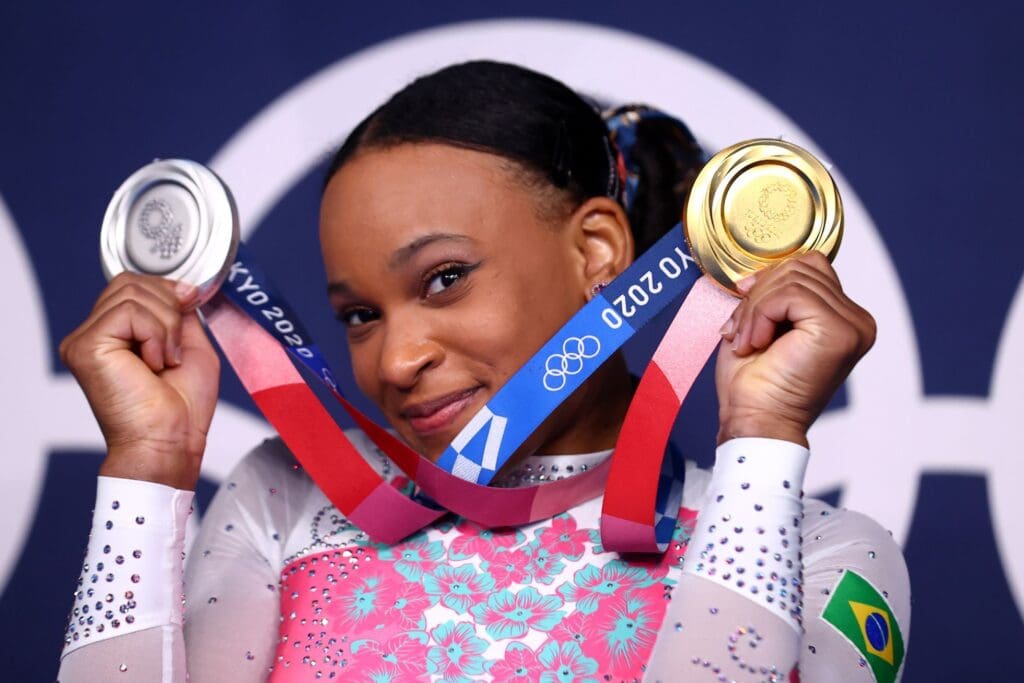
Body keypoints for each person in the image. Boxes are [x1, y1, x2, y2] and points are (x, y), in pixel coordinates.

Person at [56, 61, 909, 682]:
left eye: (445, 279)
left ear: (598, 252)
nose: (395, 359)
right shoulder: (285, 500)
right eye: (360, 314)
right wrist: (148, 463)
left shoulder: (826, 556)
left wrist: (760, 439)